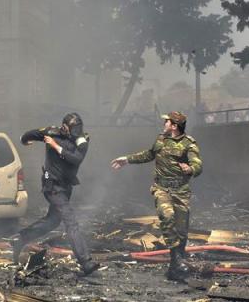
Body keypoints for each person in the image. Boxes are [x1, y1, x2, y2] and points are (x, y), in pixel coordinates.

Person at [111, 111, 202, 281]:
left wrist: (190, 169)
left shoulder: (189, 144)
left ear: (174, 126)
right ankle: (177, 260)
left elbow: (198, 164)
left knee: (181, 231)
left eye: (166, 122)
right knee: (167, 217)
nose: (164, 124)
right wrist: (128, 159)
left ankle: (175, 269)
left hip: (181, 191)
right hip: (162, 189)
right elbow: (149, 154)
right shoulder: (160, 139)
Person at [12, 113, 99, 276]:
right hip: (51, 184)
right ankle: (86, 262)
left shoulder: (82, 140)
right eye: (73, 128)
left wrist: (54, 146)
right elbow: (30, 134)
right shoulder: (51, 132)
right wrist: (25, 141)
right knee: (70, 220)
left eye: (78, 128)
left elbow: (76, 159)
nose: (76, 132)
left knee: (52, 221)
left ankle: (20, 239)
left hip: (66, 187)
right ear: (65, 126)